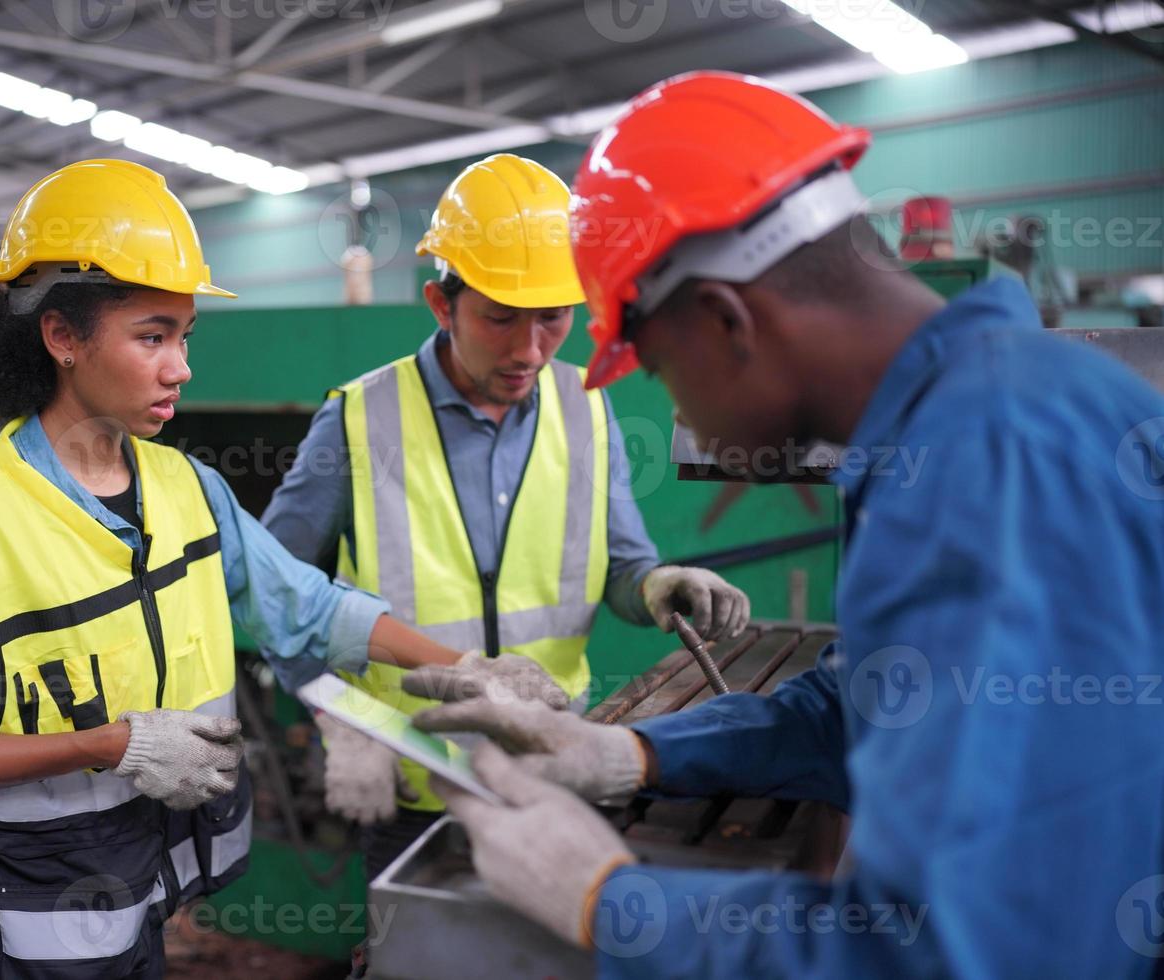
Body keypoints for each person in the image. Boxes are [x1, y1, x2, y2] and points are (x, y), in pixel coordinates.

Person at [409, 72, 1164, 977]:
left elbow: (959, 956)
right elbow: (872, 703)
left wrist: (611, 901)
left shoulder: (989, 469)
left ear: (728, 322)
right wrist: (635, 751)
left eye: (652, 362)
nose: (672, 399)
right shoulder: (977, 420)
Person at [0, 158, 505, 978]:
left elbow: (305, 606)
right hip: (7, 932)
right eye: (151, 336)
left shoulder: (186, 487)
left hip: (137, 898)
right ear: (62, 336)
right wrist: (108, 744)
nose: (181, 368)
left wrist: (473, 672)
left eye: (184, 336)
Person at [261, 152, 750, 879]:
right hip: (411, 783)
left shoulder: (586, 405)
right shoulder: (359, 421)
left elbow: (621, 564)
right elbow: (276, 594)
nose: (528, 350)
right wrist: (341, 721)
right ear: (440, 303)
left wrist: (657, 587)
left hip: (552, 769)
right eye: (499, 319)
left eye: (553, 319)